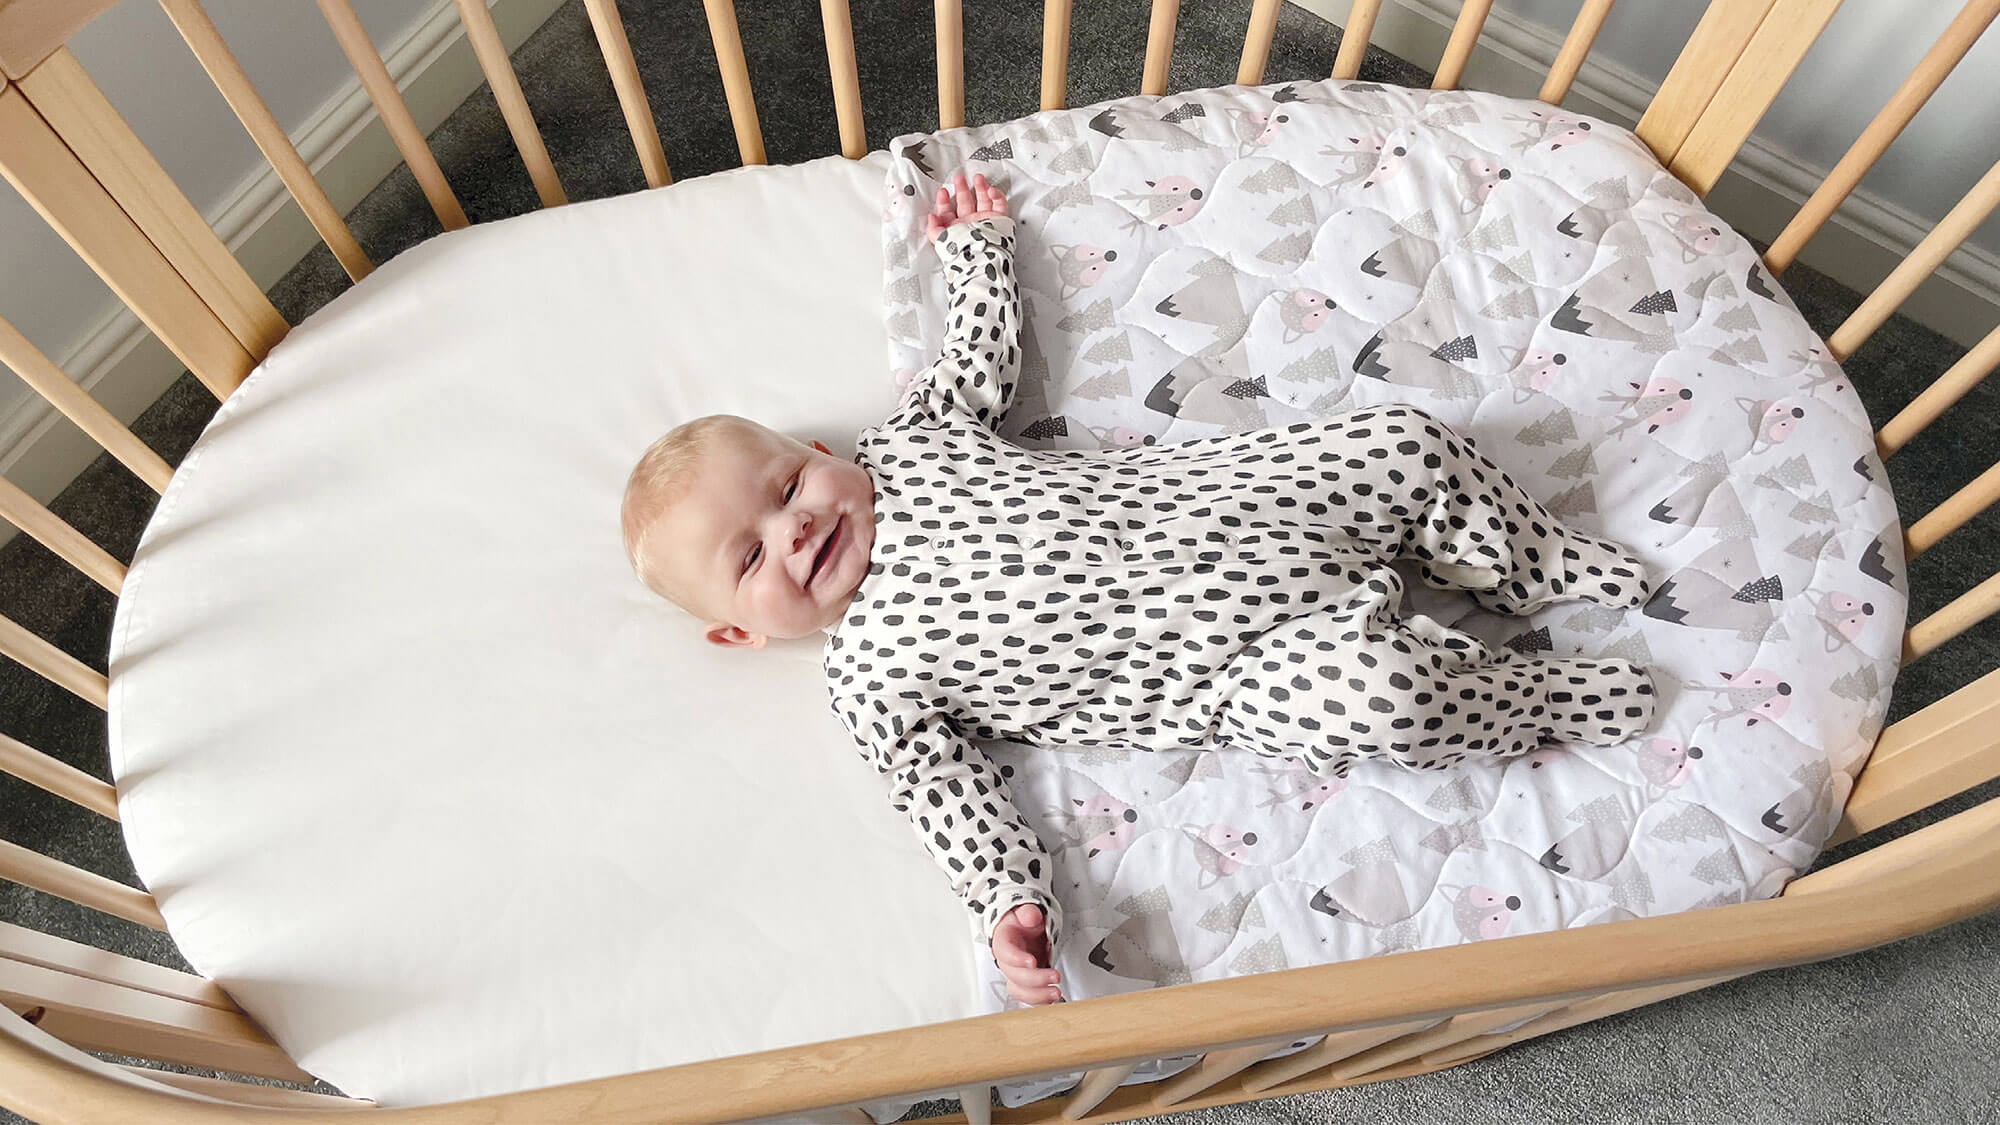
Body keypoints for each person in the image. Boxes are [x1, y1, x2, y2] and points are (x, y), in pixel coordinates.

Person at [620, 172, 1655, 1008]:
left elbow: (977, 361)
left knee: (1403, 442)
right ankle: (1540, 699)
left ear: (817, 450)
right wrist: (1007, 903)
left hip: (1247, 503)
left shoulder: (912, 447)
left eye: (788, 485)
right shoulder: (870, 680)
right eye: (752, 558)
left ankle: (1530, 563)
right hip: (1241, 671)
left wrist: (973, 251)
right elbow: (947, 795)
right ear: (736, 635)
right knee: (1384, 702)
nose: (792, 526)